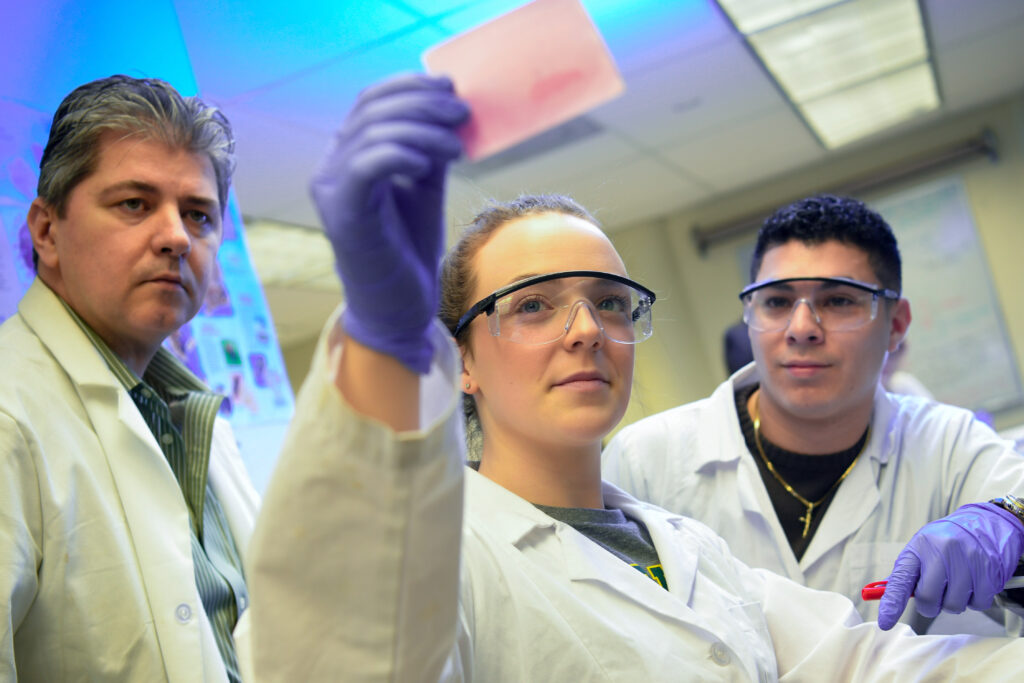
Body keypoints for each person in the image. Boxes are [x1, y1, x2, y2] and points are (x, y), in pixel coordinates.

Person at [245, 75, 1024, 681]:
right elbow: (335, 656)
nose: (586, 328)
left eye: (609, 302)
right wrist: (385, 336)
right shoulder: (441, 554)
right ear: (464, 362)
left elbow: (865, 661)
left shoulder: (688, 547)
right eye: (534, 304)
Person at [1, 73, 466, 682]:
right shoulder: (12, 411)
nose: (175, 236)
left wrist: (391, 328)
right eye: (134, 204)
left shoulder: (193, 422)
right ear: (46, 231)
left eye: (199, 215)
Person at [603, 194, 1024, 634]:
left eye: (839, 300)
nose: (801, 328)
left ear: (896, 325)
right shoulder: (644, 461)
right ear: (749, 315)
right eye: (777, 302)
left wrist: (1010, 520)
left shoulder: (947, 444)